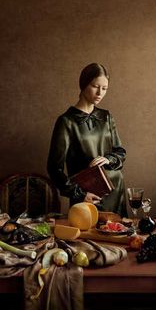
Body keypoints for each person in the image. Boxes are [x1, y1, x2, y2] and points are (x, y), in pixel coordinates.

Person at [47, 62, 127, 217]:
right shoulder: (66, 121)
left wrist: (108, 159)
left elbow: (120, 152)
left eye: (104, 89)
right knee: (89, 238)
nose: (100, 93)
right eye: (95, 86)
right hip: (88, 196)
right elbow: (54, 168)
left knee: (119, 236)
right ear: (83, 84)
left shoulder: (106, 117)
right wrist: (79, 195)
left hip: (116, 192)